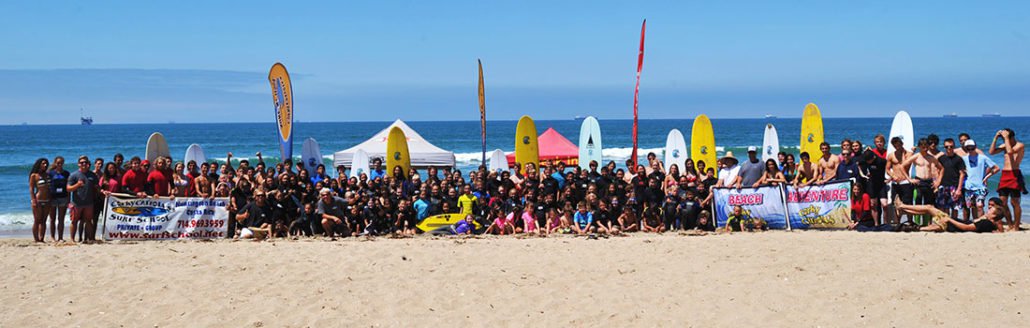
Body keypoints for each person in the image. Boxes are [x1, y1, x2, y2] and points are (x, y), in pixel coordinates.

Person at [895, 196, 1005, 233]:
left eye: (991, 209)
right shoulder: (987, 221)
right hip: (951, 225)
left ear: (994, 216)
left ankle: (902, 206)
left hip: (951, 224)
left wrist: (949, 220)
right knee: (928, 210)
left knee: (929, 208)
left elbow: (966, 227)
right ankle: (903, 210)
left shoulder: (986, 223)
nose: (988, 209)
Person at [988, 128, 1025, 230]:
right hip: (1005, 174)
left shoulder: (1020, 145)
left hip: (1014, 173)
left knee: (1014, 202)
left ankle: (1016, 226)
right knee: (1002, 202)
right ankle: (1010, 224)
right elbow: (991, 152)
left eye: (1006, 138)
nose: (1004, 140)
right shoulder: (1005, 145)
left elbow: (1010, 152)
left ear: (1011, 137)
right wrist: (995, 138)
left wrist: (1006, 138)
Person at [960, 140, 999, 221]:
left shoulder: (983, 158)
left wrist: (986, 177)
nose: (970, 149)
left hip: (980, 187)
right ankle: (974, 222)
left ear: (975, 147)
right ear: (966, 148)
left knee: (980, 205)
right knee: (970, 206)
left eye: (972, 147)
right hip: (968, 187)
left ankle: (981, 222)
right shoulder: (963, 159)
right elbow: (960, 170)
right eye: (968, 148)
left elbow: (996, 168)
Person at [66, 156, 99, 243]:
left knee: (88, 221)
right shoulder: (74, 175)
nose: (84, 164)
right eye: (81, 162)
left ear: (88, 164)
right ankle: (72, 240)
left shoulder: (92, 175)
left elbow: (97, 187)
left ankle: (89, 239)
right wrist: (77, 185)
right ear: (78, 164)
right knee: (74, 221)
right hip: (77, 203)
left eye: (85, 162)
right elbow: (68, 188)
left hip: (89, 203)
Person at [48, 157, 72, 242]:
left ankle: (60, 237)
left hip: (63, 197)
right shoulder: (50, 173)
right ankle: (52, 237)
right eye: (58, 163)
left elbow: (68, 187)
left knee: (61, 219)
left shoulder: (66, 173)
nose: (59, 164)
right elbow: (47, 186)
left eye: (61, 163)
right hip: (53, 198)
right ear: (55, 163)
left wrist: (69, 200)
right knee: (52, 219)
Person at [29, 158, 52, 243]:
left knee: (44, 220)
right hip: (38, 200)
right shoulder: (34, 175)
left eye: (46, 164)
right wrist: (33, 200)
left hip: (47, 200)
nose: (45, 165)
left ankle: (41, 238)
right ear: (39, 164)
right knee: (37, 220)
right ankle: (36, 239)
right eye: (43, 163)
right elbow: (31, 188)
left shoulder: (47, 174)